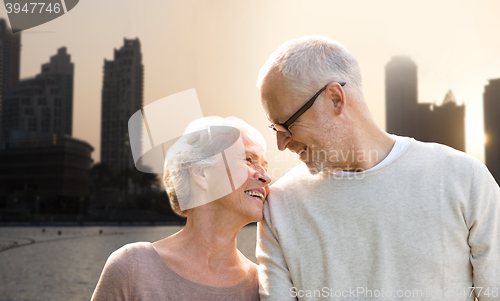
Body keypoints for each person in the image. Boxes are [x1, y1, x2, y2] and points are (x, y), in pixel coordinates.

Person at [255, 35, 500, 300]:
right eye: (274, 129)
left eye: (286, 125)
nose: (281, 144)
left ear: (335, 99)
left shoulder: (465, 179)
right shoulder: (278, 207)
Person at [91, 116, 271, 301]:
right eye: (249, 160)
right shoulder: (132, 267)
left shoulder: (263, 287)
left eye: (266, 167)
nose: (267, 178)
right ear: (202, 173)